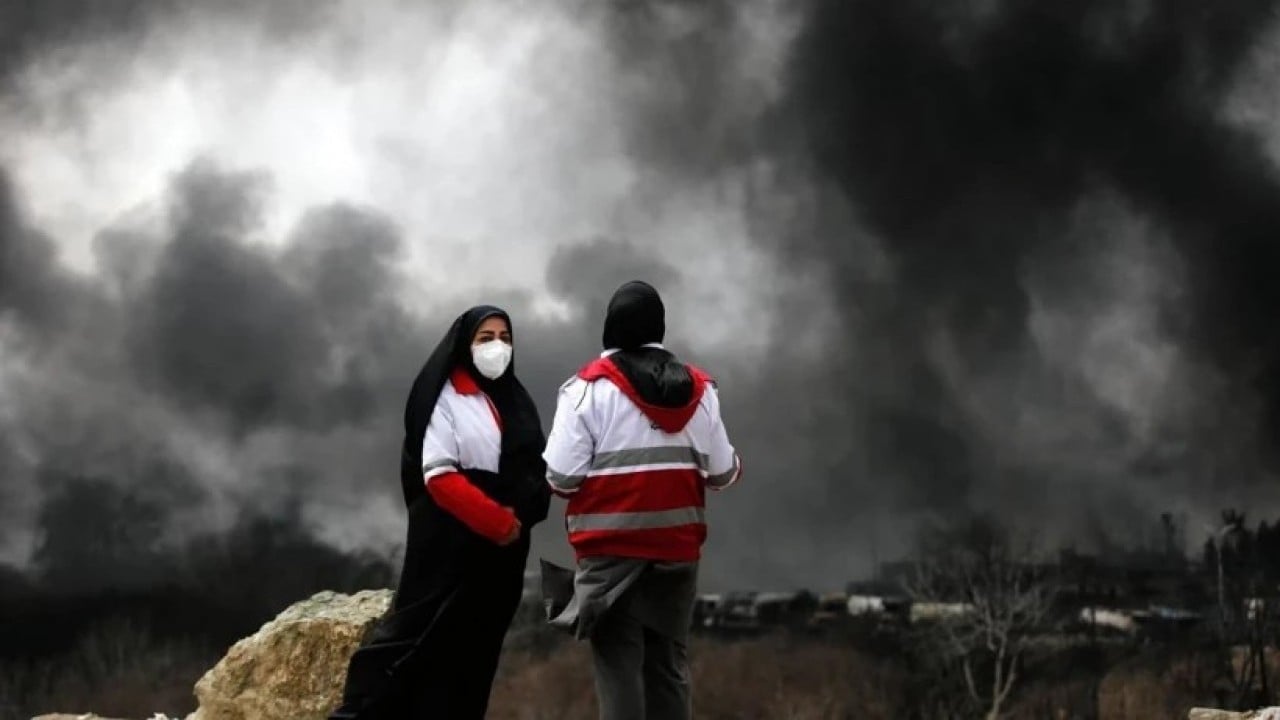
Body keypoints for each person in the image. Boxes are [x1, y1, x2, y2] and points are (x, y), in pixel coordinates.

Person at [330, 305, 551, 719]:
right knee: (409, 648)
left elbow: (535, 470)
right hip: (448, 551)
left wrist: (524, 510)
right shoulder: (445, 398)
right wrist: (498, 520)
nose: (497, 347)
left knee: (472, 665)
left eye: (505, 337)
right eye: (486, 338)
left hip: (501, 562)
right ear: (465, 344)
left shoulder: (515, 400)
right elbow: (438, 476)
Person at [542, 281, 742, 720]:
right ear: (660, 328)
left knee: (619, 672)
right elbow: (724, 473)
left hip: (609, 558)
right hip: (676, 556)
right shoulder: (700, 390)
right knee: (668, 668)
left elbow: (560, 478)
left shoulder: (584, 391)